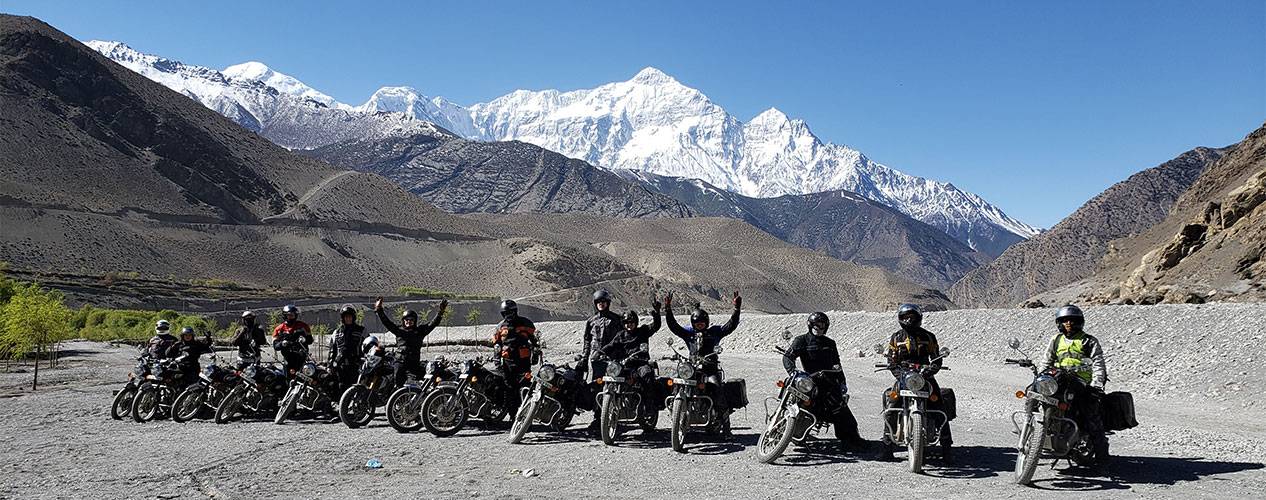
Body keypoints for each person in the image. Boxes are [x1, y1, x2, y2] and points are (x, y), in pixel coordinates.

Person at [781, 312, 865, 450]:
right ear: (810, 325)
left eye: (822, 325)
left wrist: (842, 382)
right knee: (789, 389)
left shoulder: (830, 343)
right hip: (807, 380)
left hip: (827, 382)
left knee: (840, 408)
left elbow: (837, 365)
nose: (819, 328)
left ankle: (850, 439)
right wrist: (792, 371)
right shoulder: (801, 340)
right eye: (816, 325)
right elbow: (788, 356)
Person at [880, 304, 952, 461]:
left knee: (939, 405)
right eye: (905, 317)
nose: (909, 320)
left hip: (924, 376)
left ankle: (947, 448)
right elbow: (891, 359)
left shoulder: (928, 337)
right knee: (891, 405)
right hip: (904, 376)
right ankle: (886, 448)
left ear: (918, 318)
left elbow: (936, 358)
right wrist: (898, 373)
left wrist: (931, 369)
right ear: (900, 319)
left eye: (912, 317)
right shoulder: (896, 337)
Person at [1039, 304, 1110, 465]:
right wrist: (1041, 375)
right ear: (1059, 323)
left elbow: (1098, 363)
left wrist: (1096, 384)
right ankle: (1038, 432)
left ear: (1079, 322)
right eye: (1065, 320)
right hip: (1059, 380)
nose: (1068, 323)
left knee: (1092, 418)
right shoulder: (1056, 340)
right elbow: (1047, 360)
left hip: (1082, 383)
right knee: (1037, 393)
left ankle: (1103, 460)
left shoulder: (1088, 341)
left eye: (1072, 320)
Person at [664, 291, 741, 424]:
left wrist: (736, 309)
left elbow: (730, 326)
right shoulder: (689, 334)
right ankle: (675, 408)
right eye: (697, 323)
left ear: (706, 322)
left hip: (709, 369)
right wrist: (668, 309)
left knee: (717, 388)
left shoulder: (714, 332)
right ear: (693, 323)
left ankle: (725, 423)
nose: (700, 325)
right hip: (692, 368)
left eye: (702, 322)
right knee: (675, 381)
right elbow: (674, 327)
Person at [374, 297, 446, 386]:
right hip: (400, 362)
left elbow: (433, 324)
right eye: (406, 319)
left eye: (411, 320)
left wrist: (440, 313)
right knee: (397, 383)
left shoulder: (420, 331)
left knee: (419, 383)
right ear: (403, 321)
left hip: (414, 363)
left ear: (415, 321)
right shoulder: (399, 330)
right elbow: (387, 322)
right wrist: (379, 309)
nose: (409, 321)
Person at [493, 299, 538, 413]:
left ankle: (527, 415)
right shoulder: (500, 326)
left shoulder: (525, 323)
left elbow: (535, 341)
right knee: (509, 389)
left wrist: (536, 353)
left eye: (509, 312)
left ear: (515, 311)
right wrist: (497, 361)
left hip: (523, 362)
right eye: (505, 313)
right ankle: (513, 416)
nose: (508, 315)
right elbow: (497, 345)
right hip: (508, 362)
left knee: (525, 388)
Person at [330, 305, 367, 390]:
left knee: (355, 388)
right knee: (340, 386)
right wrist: (330, 365)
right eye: (346, 317)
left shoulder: (361, 330)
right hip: (340, 366)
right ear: (343, 318)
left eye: (350, 317)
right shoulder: (336, 332)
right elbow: (332, 349)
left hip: (356, 365)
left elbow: (368, 345)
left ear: (353, 317)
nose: (348, 319)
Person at [272, 304, 313, 372]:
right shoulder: (279, 329)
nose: (291, 317)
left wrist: (304, 340)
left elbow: (310, 340)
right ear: (285, 316)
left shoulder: (303, 326)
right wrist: (282, 344)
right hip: (288, 358)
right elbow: (275, 346)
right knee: (287, 378)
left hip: (301, 357)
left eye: (292, 315)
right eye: (289, 315)